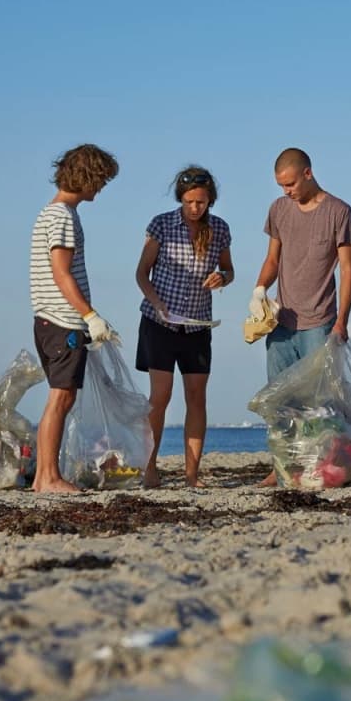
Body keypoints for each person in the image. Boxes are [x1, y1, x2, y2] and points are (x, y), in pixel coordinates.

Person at [248, 148, 351, 487]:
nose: (286, 191)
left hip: (320, 322)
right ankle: (282, 465)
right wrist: (259, 290)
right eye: (281, 185)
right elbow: (272, 259)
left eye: (291, 184)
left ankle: (322, 466)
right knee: (279, 401)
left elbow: (348, 270)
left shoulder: (339, 211)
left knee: (320, 403)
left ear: (308, 173)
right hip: (282, 323)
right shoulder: (279, 209)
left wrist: (342, 321)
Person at [134, 165, 234, 488]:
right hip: (159, 323)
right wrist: (157, 303)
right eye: (189, 202)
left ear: (210, 201)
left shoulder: (219, 229)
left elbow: (229, 270)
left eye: (201, 202)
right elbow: (141, 273)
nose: (194, 208)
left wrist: (222, 278)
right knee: (160, 396)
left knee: (196, 396)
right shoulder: (162, 224)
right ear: (180, 198)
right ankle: (150, 469)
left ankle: (192, 475)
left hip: (197, 326)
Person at [29, 143, 121, 493]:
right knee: (61, 398)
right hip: (63, 320)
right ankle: (49, 477)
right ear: (87, 177)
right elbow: (62, 273)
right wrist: (90, 315)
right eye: (102, 180)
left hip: (48, 319)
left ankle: (42, 477)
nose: (102, 188)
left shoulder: (50, 213)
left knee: (60, 397)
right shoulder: (63, 217)